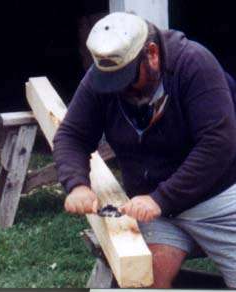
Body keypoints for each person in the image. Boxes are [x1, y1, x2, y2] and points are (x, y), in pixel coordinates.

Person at [53, 12, 236, 288]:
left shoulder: (194, 64)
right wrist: (77, 184)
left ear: (151, 54)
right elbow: (71, 135)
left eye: (127, 80)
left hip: (217, 201)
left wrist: (161, 198)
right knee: (139, 279)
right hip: (155, 211)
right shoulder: (104, 75)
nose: (120, 90)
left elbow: (217, 144)